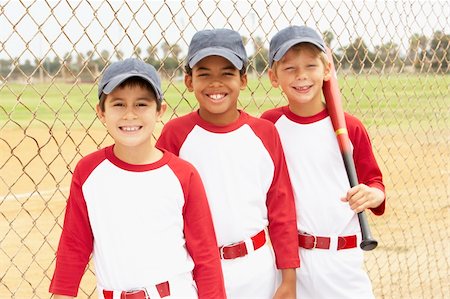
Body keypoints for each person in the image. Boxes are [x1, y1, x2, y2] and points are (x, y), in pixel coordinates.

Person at [49, 58, 226, 299]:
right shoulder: (89, 171)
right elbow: (74, 244)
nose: (130, 115)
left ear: (160, 111)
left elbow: (205, 256)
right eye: (118, 104)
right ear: (101, 112)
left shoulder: (182, 174)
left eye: (141, 104)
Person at [156, 28, 300, 298]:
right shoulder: (175, 135)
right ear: (188, 81)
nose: (215, 83)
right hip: (197, 272)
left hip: (257, 268)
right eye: (204, 74)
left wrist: (288, 278)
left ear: (243, 79)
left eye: (227, 73)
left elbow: (282, 210)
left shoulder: (264, 134)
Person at [261, 25, 386, 299]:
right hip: (293, 261)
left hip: (344, 261)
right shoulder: (269, 125)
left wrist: (373, 194)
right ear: (273, 76)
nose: (302, 75)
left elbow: (375, 183)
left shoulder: (350, 127)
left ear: (327, 70)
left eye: (310, 65)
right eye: (289, 68)